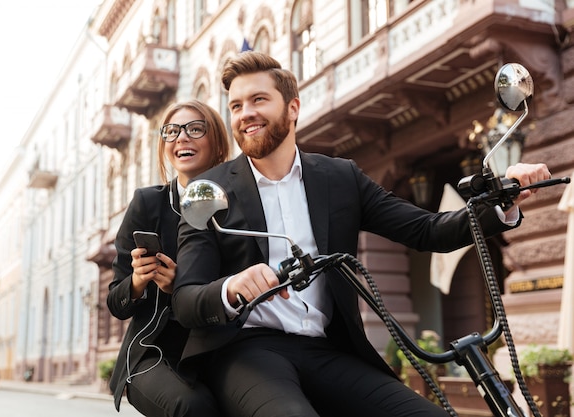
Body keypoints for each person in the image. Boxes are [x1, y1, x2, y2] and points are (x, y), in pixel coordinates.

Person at [171, 51, 552, 417]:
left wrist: (503, 198)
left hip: (328, 348)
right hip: (246, 350)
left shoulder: (340, 177)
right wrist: (232, 287)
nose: (245, 113)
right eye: (236, 106)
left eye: (258, 99)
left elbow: (427, 230)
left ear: (293, 108)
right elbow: (186, 301)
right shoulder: (207, 190)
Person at [107, 99, 230, 417]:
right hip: (153, 349)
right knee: (192, 407)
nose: (181, 138)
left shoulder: (236, 205)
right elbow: (115, 302)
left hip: (217, 347)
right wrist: (136, 282)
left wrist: (183, 288)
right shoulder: (147, 203)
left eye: (195, 129)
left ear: (216, 141)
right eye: (172, 131)